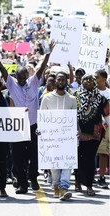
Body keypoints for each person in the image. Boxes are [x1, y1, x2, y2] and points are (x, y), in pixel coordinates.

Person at [0, 37, 55, 194]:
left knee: (34, 154)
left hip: (33, 125)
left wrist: (48, 54)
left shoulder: (34, 81)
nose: (22, 81)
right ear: (16, 76)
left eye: (24, 78)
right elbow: (1, 67)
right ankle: (23, 183)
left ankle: (33, 177)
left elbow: (42, 68)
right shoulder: (11, 83)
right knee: (17, 157)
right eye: (20, 78)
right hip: (17, 126)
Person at [40, 71, 77, 201]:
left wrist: (76, 132)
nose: (61, 82)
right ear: (55, 81)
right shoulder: (47, 98)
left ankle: (64, 188)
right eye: (58, 80)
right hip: (52, 138)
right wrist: (40, 130)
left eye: (63, 80)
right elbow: (42, 117)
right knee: (54, 164)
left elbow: (74, 119)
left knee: (67, 163)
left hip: (67, 138)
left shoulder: (72, 99)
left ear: (67, 81)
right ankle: (56, 185)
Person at [74, 74, 110, 196]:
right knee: (78, 157)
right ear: (81, 82)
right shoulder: (74, 96)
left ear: (94, 83)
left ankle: (89, 185)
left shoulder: (101, 98)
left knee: (90, 159)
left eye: (91, 80)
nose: (88, 82)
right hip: (77, 133)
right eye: (85, 80)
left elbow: (107, 115)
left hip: (95, 134)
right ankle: (78, 182)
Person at [94, 70, 110, 189]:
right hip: (95, 126)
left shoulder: (109, 93)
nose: (94, 80)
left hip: (107, 127)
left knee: (103, 153)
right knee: (92, 152)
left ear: (104, 79)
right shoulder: (91, 92)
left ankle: (102, 177)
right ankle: (90, 175)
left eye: (97, 77)